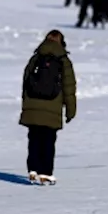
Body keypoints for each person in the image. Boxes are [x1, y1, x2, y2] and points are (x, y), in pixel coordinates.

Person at [19, 30, 77, 185]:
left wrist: (25, 104)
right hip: (53, 107)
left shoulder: (36, 57)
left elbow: (26, 80)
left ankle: (32, 169)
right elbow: (69, 87)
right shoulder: (63, 60)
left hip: (33, 106)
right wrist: (70, 111)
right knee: (48, 140)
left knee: (34, 138)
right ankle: (45, 173)